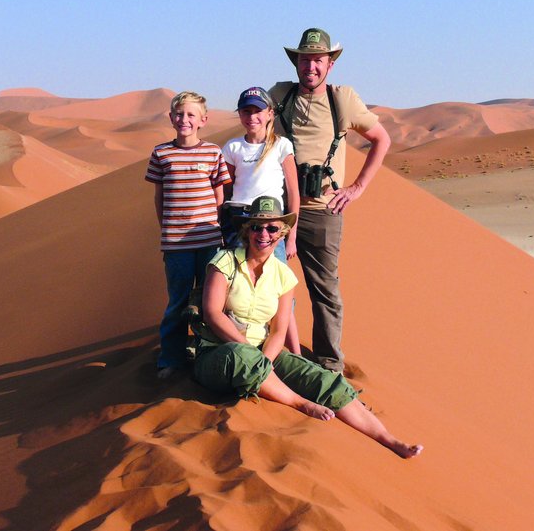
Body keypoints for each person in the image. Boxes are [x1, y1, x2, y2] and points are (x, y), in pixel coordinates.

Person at [193, 196, 422, 459]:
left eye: (272, 228)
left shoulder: (283, 276)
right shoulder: (225, 261)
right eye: (256, 226)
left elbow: (279, 331)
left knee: (323, 379)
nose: (263, 234)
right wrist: (254, 356)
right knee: (242, 357)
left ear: (283, 233)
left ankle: (390, 440)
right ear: (247, 230)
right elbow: (212, 314)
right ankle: (301, 403)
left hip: (264, 352)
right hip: (218, 354)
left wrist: (265, 359)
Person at [269, 28, 391, 373]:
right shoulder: (279, 95)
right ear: (297, 63)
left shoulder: (343, 100)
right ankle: (276, 354)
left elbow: (381, 140)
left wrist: (357, 188)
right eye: (305, 59)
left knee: (324, 291)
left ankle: (327, 365)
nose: (311, 66)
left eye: (318, 60)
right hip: (277, 211)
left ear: (329, 64)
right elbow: (250, 121)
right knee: (270, 284)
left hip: (323, 210)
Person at [146, 91, 232, 379]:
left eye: (191, 115)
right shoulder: (161, 153)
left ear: (203, 121)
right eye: (179, 114)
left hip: (209, 242)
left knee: (210, 302)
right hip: (175, 244)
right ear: (171, 118)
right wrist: (168, 230)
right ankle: (171, 358)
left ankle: (207, 352)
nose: (185, 119)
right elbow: (159, 198)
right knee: (178, 302)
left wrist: (217, 230)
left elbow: (220, 197)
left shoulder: (213, 152)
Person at [221, 86, 302, 354]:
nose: (252, 116)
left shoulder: (281, 145)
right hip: (240, 221)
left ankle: (293, 354)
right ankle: (236, 345)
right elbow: (226, 189)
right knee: (235, 286)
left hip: (272, 224)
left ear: (270, 113)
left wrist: (291, 236)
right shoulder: (232, 147)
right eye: (246, 110)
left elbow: (293, 192)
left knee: (280, 291)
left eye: (258, 110)